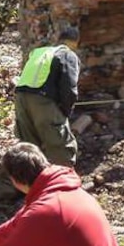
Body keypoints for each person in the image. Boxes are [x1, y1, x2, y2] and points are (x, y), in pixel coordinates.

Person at [13, 26, 81, 167]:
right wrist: (65, 112)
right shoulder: (67, 54)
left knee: (29, 150)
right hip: (42, 102)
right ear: (75, 42)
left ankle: (27, 184)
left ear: (59, 39)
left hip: (21, 99)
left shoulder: (38, 52)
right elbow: (69, 87)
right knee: (59, 146)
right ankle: (62, 185)